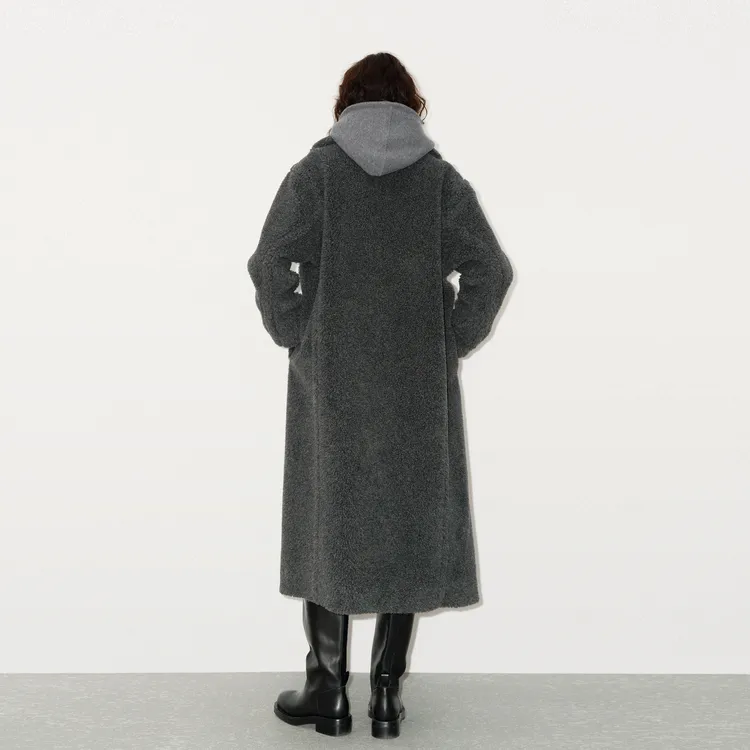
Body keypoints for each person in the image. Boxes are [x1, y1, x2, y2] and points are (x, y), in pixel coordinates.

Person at [247, 52, 514, 740]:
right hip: (415, 386)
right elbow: (490, 268)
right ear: (411, 105)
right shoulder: (438, 182)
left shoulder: (316, 175)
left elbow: (270, 260)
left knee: (327, 516)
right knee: (409, 523)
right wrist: (448, 340)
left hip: (333, 380)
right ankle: (387, 696)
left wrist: (297, 332)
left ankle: (328, 690)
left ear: (345, 104)